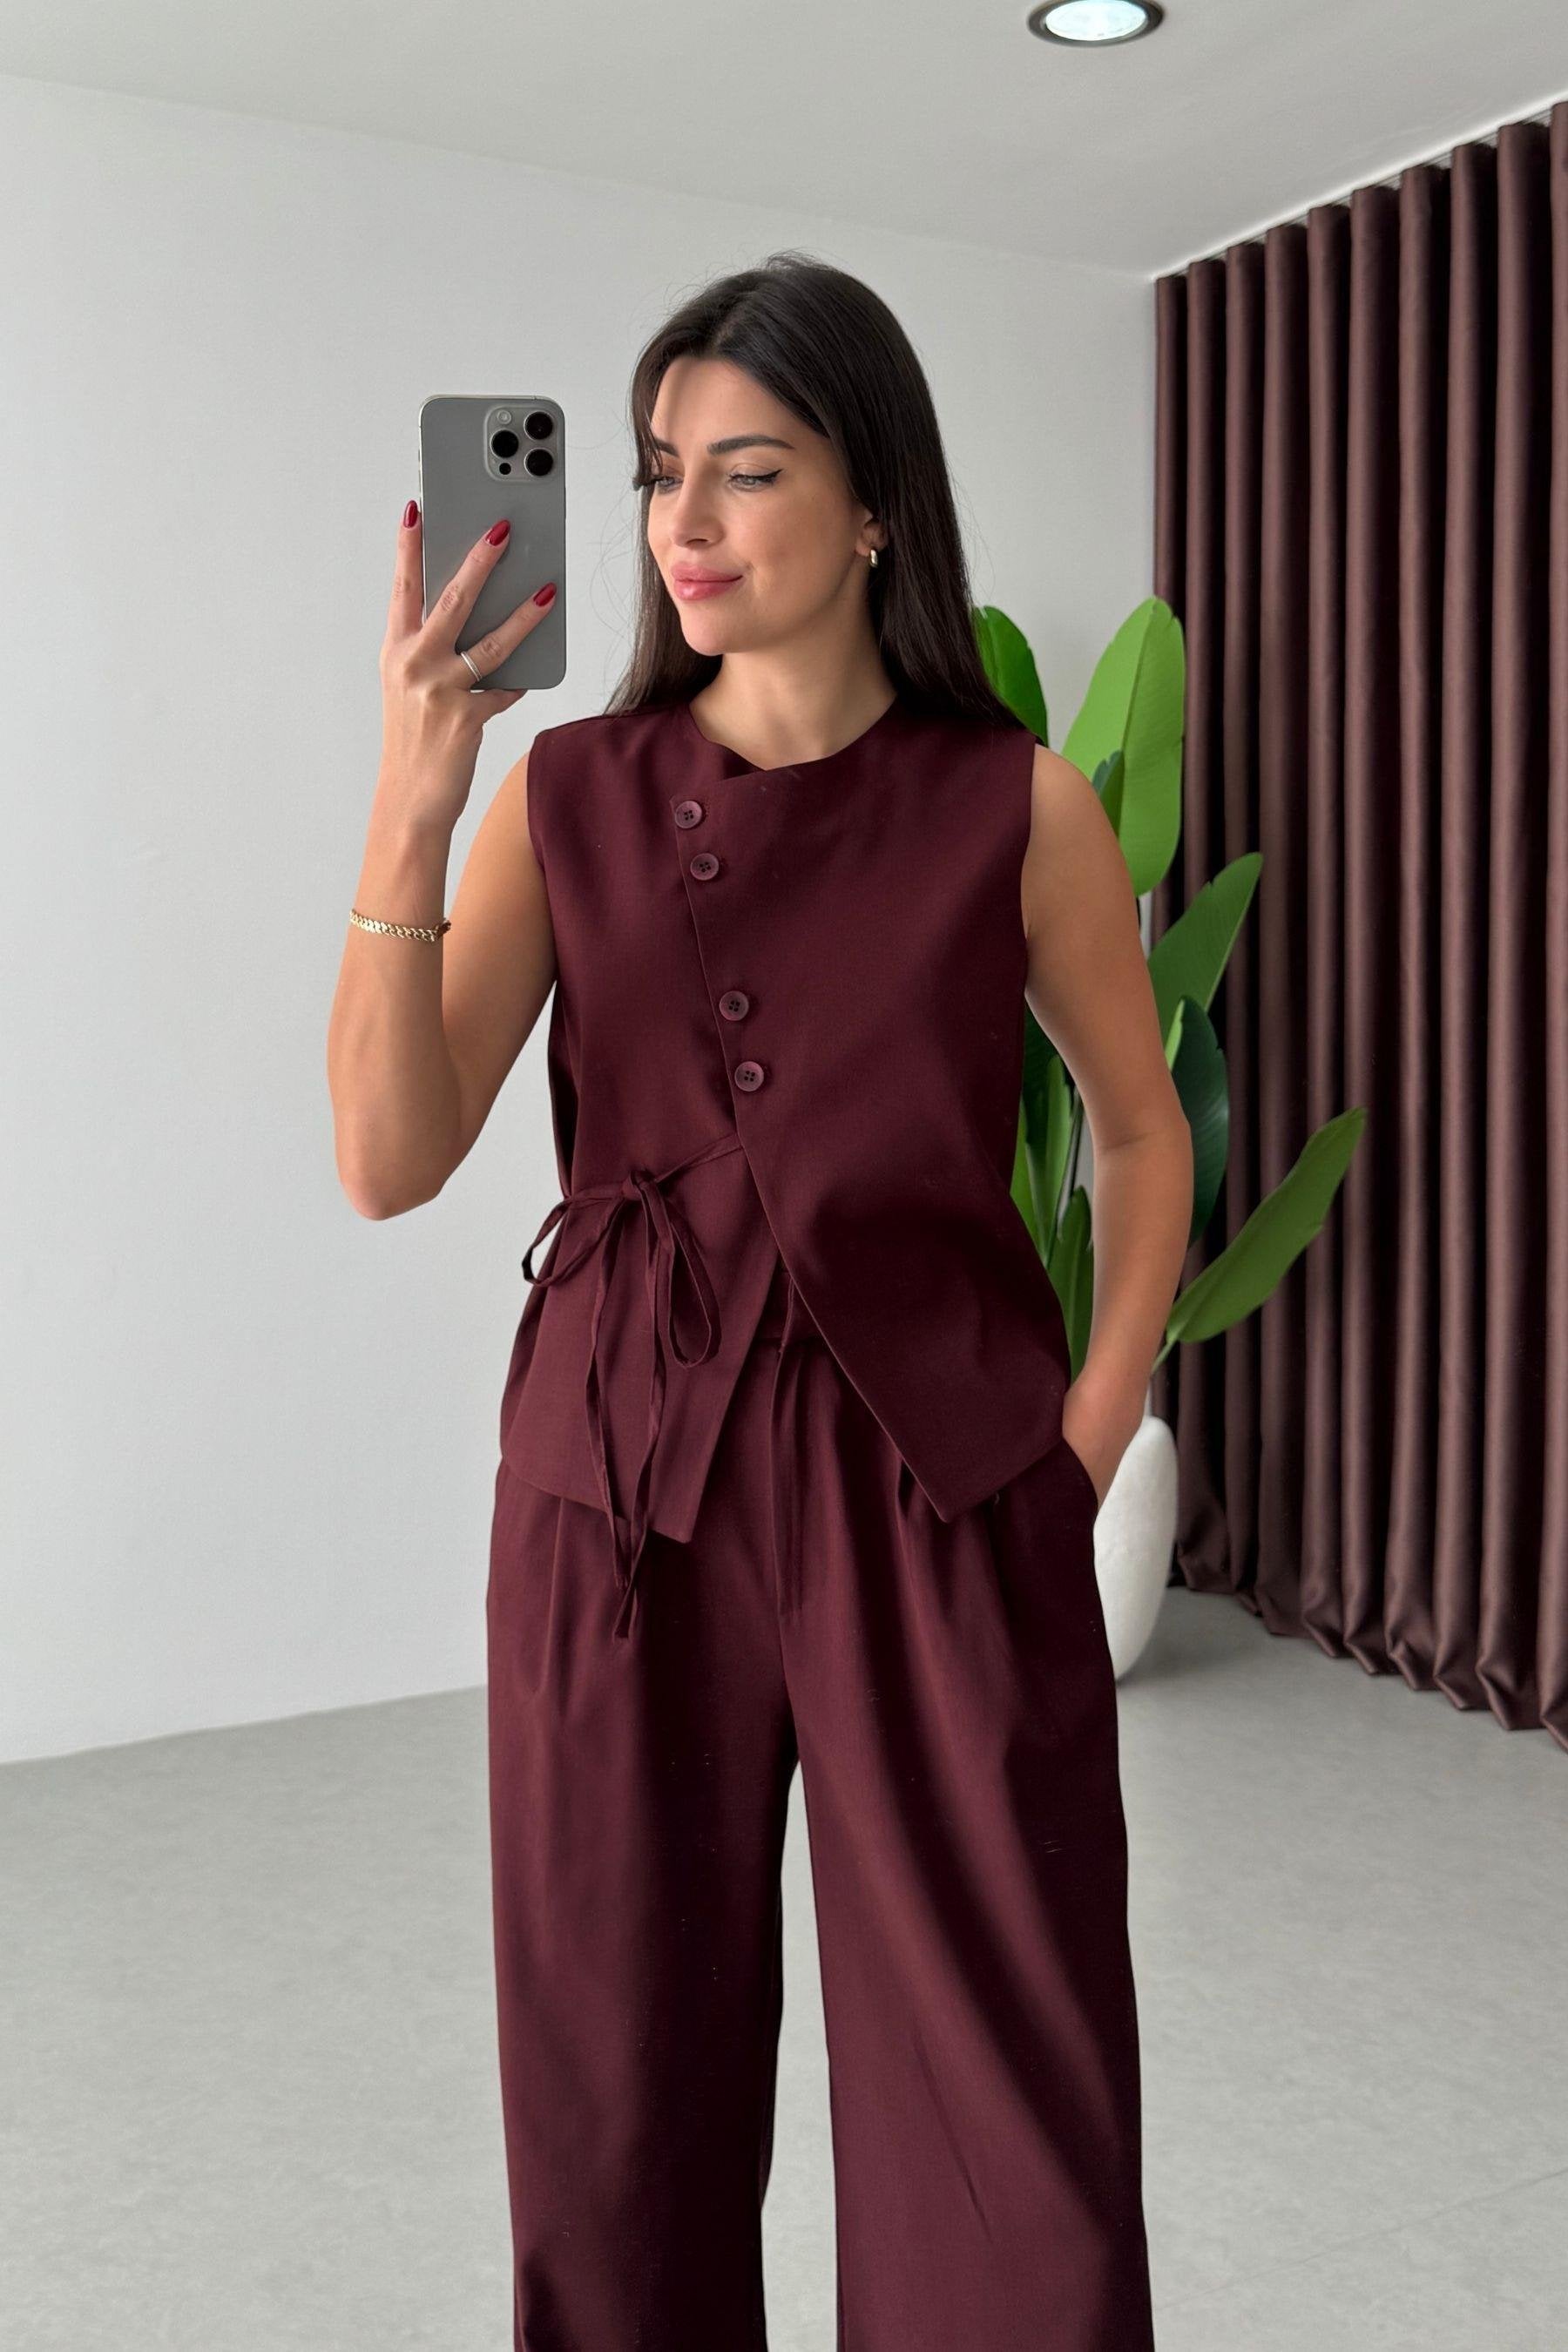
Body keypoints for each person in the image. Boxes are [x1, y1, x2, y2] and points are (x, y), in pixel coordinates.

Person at [328, 251, 1192, 2352]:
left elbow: (1143, 1133)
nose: (683, 524)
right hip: (618, 1503)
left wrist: (1079, 1452)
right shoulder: (569, 797)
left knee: (1010, 2117)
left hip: (939, 1490)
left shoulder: (1016, 804)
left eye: (749, 469)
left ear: (877, 502)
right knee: (617, 2105)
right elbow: (388, 1156)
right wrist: (418, 798)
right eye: (658, 475)